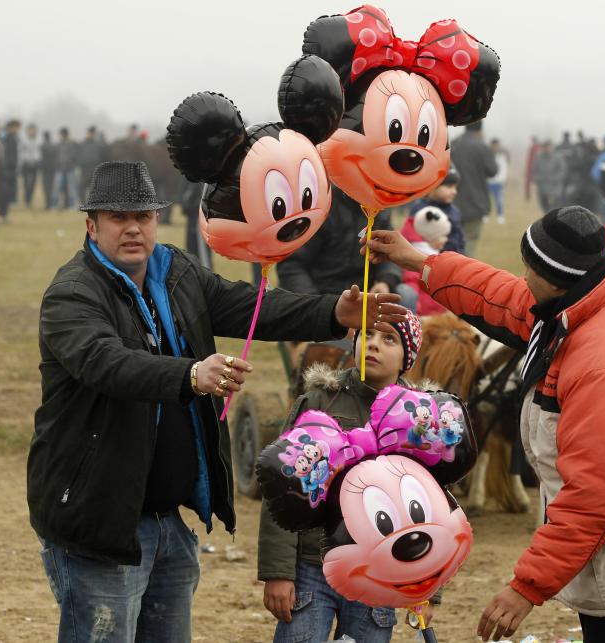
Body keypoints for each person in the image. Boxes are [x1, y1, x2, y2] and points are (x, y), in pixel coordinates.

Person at [27, 161, 408, 642]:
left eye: (142, 216)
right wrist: (189, 374)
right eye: (117, 217)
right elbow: (107, 363)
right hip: (99, 523)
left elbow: (253, 306)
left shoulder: (175, 271)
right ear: (91, 225)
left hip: (168, 522)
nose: (132, 228)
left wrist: (333, 312)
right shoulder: (72, 295)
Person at [364, 206, 605, 643]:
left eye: (530, 269)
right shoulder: (582, 302)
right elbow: (502, 296)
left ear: (556, 276)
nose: (523, 277)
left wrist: (525, 588)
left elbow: (595, 493)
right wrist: (418, 260)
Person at [258, 311, 427, 643]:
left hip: (379, 574)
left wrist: (428, 588)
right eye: (367, 335)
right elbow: (281, 485)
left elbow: (431, 505)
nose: (374, 345)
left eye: (389, 339)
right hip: (312, 567)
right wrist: (278, 572)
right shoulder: (320, 401)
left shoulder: (419, 419)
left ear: (407, 357)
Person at [276, 187, 401, 297]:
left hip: (362, 299)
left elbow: (389, 254)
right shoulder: (320, 208)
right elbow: (292, 265)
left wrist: (385, 282)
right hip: (320, 297)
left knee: (405, 293)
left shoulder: (378, 210)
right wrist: (317, 307)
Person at [450, 120, 497, 256]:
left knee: (453, 242)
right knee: (469, 241)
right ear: (480, 130)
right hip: (476, 202)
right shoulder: (482, 146)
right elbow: (492, 170)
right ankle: (463, 275)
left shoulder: (454, 144)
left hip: (452, 200)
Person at [399, 205, 451, 315]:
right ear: (429, 237)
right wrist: (416, 313)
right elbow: (411, 285)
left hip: (437, 311)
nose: (446, 239)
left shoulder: (433, 255)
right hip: (424, 313)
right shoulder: (416, 259)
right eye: (443, 236)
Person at [531, 140, 568, 215]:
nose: (548, 149)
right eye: (545, 147)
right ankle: (547, 217)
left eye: (549, 147)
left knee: (555, 206)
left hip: (555, 187)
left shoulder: (558, 157)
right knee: (544, 206)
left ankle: (553, 220)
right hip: (543, 187)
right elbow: (535, 171)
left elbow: (563, 170)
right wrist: (537, 179)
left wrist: (556, 178)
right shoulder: (538, 158)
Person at [0, 119, 21, 221]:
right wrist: (9, 167)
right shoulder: (7, 138)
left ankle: (4, 214)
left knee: (8, 194)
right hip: (7, 170)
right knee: (4, 193)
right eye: (15, 127)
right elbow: (7, 156)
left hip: (11, 170)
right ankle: (2, 214)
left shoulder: (13, 138)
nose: (17, 129)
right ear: (10, 127)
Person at [51, 127, 78, 209]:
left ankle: (72, 205)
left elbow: (73, 156)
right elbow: (56, 156)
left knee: (71, 188)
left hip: (69, 169)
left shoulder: (71, 144)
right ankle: (54, 205)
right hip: (60, 169)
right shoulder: (58, 144)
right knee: (57, 188)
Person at [19, 123, 42, 208]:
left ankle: (30, 200)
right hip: (26, 163)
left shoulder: (39, 140)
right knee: (25, 184)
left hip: (35, 164)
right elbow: (20, 152)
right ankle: (27, 200)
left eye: (33, 130)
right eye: (30, 130)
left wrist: (39, 161)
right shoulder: (23, 140)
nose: (32, 131)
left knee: (33, 183)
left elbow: (40, 152)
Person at [487, 138, 509, 224]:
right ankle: (486, 215)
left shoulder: (501, 156)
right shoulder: (487, 156)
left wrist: (503, 180)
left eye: (497, 146)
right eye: (494, 145)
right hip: (488, 181)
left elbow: (504, 169)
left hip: (498, 182)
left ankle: (500, 216)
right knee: (487, 200)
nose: (495, 147)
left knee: (499, 200)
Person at [40, 131, 57, 211]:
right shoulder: (53, 146)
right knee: (51, 187)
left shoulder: (42, 146)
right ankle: (51, 204)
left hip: (45, 170)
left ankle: (48, 204)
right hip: (52, 169)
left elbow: (41, 159)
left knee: (46, 187)